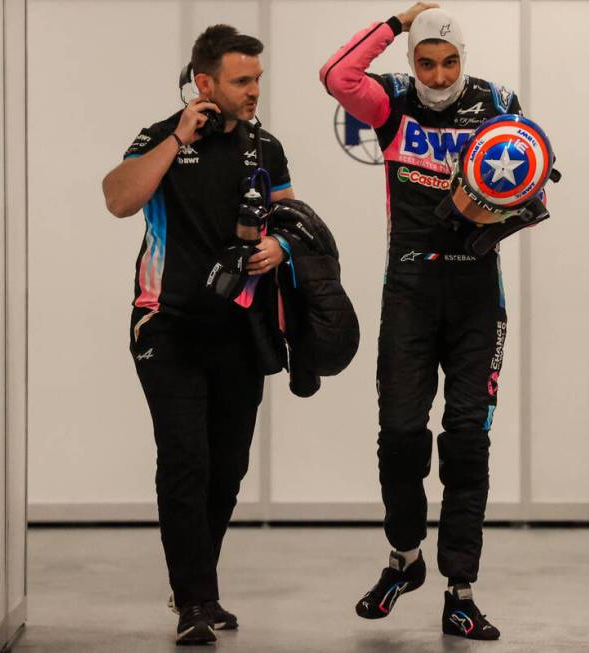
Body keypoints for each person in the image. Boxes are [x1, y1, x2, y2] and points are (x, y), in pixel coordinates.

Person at [320, 2, 528, 641]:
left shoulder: (498, 103)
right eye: (427, 63)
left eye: (450, 62)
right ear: (412, 63)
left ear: (465, 61)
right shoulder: (389, 103)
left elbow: (532, 192)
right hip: (407, 291)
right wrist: (398, 23)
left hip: (474, 299)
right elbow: (335, 75)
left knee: (466, 445)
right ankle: (403, 558)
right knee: (401, 435)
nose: (438, 75)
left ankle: (460, 591)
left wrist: (481, 214)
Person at [101, 23, 294, 645]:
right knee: (185, 460)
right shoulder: (161, 136)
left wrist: (279, 246)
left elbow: (294, 220)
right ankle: (194, 599)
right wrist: (176, 137)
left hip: (241, 329)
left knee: (227, 466)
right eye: (242, 81)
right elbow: (118, 199)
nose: (253, 91)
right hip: (168, 325)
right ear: (204, 82)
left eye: (258, 79)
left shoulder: (267, 148)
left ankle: (197, 584)